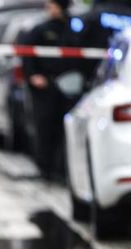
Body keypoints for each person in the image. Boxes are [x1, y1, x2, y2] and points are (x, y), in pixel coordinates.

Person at [21, 0, 80, 181]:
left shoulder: (74, 27)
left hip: (69, 87)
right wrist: (33, 76)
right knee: (45, 128)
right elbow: (27, 54)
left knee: (65, 129)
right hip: (46, 87)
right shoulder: (40, 29)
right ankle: (44, 169)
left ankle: (61, 169)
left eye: (52, 5)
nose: (48, 9)